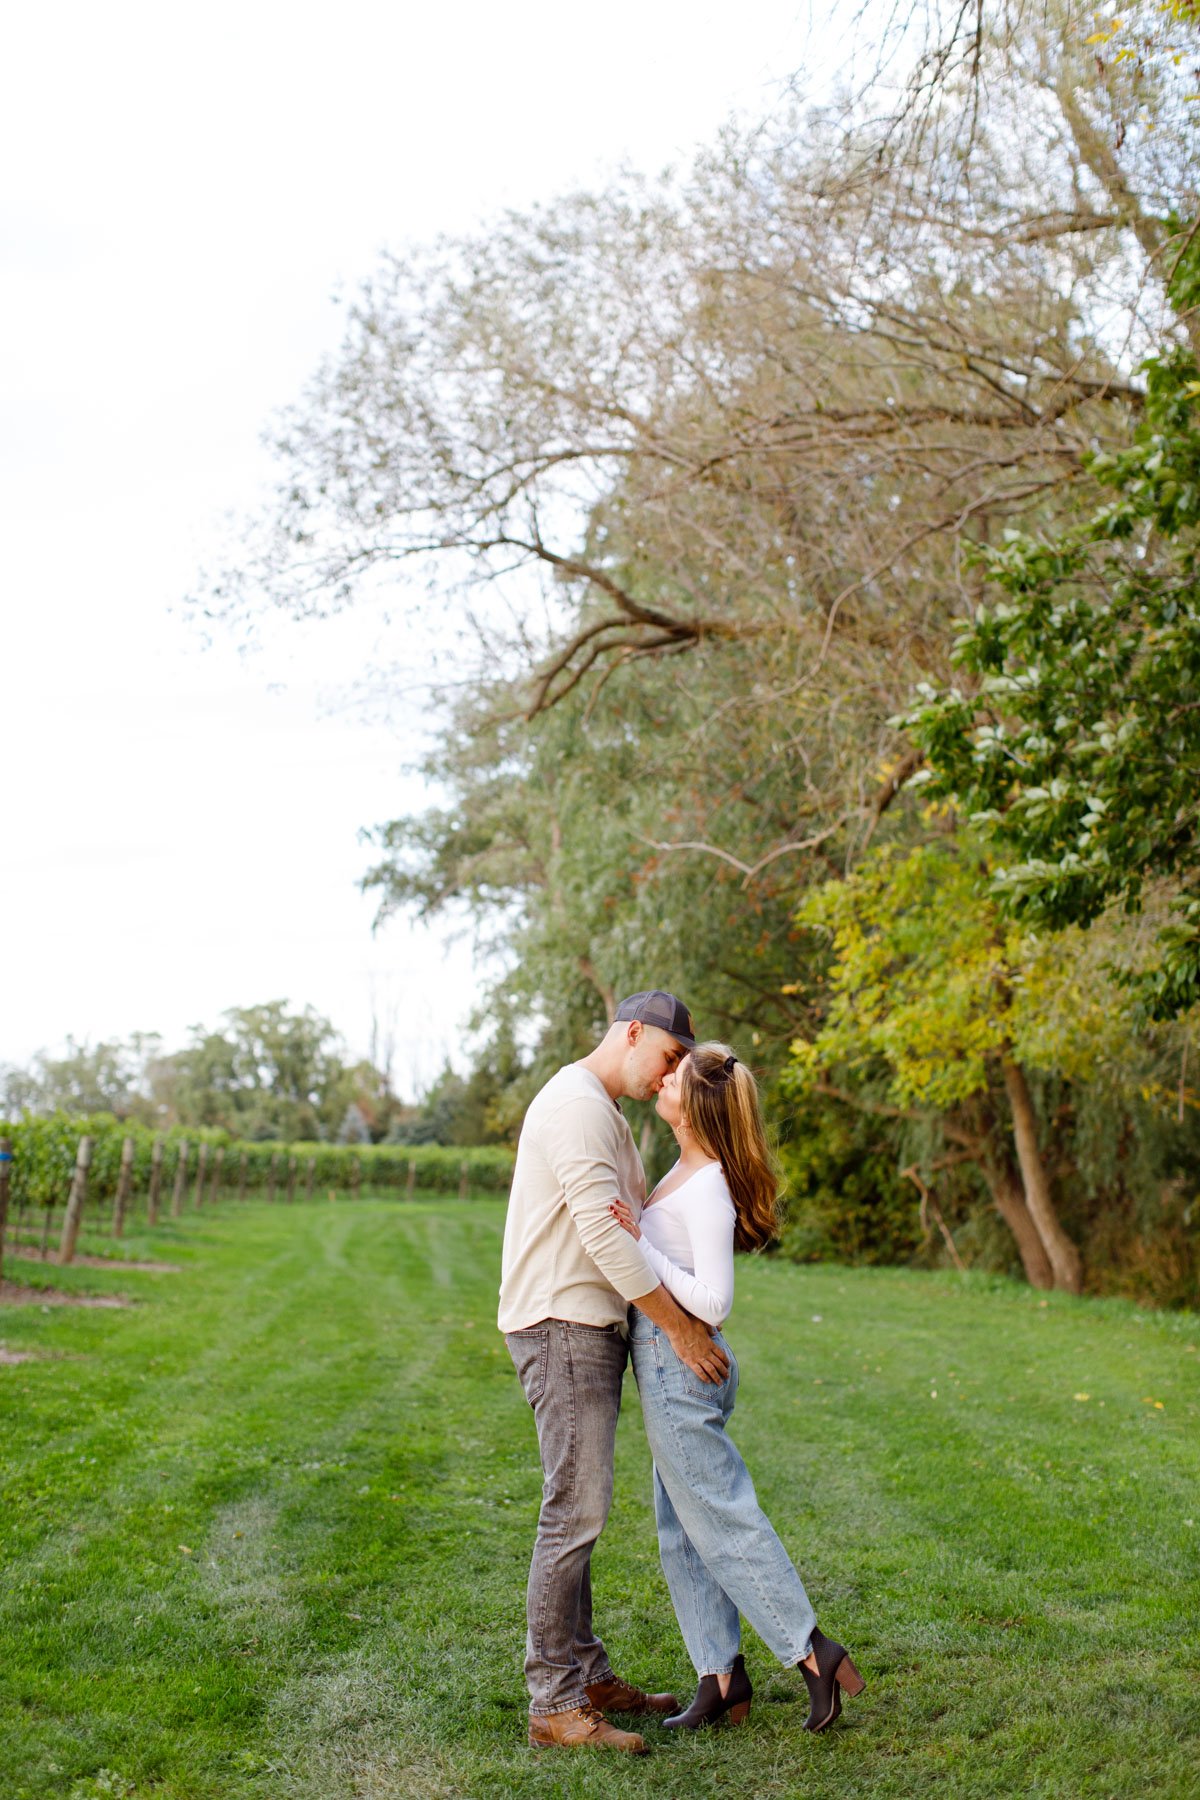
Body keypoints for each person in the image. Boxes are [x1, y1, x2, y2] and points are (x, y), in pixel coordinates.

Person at [499, 990, 732, 1756]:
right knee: (576, 1510)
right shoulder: (576, 1106)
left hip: (587, 1326)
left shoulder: (604, 1112)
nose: (669, 1076)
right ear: (632, 1033)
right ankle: (554, 1704)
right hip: (562, 1323)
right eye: (668, 1058)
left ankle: (586, 1675)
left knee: (579, 1508)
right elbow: (606, 1237)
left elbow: (636, 1220)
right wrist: (682, 1330)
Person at [609, 1040, 865, 1734]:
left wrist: (643, 1245)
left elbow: (714, 1302)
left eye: (676, 1077)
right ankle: (721, 1679)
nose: (663, 1079)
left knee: (722, 1519)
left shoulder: (709, 1188)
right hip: (670, 1365)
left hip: (680, 1365)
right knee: (680, 1531)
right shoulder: (684, 1171)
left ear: (692, 1106)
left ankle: (813, 1654)